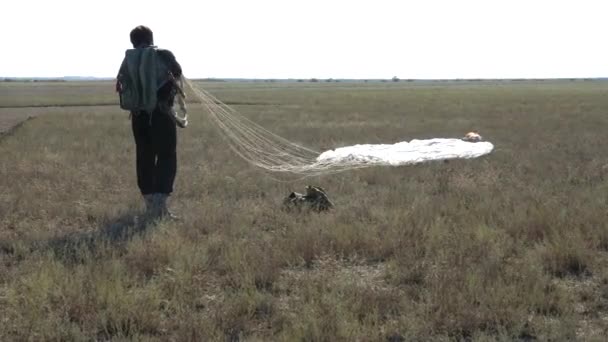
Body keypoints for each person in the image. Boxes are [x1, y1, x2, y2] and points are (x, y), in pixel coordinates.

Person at [116, 25, 183, 219]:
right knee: (166, 156)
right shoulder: (163, 54)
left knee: (144, 157)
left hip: (138, 118)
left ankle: (149, 205)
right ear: (151, 38)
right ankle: (160, 207)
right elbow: (177, 72)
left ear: (133, 41)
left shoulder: (128, 59)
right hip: (162, 115)